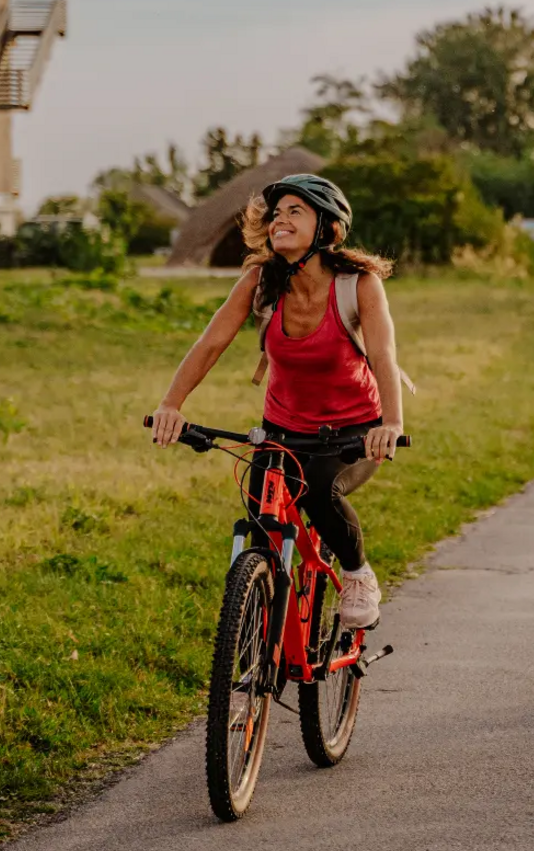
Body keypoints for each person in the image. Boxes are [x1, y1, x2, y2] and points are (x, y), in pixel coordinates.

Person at [149, 174, 406, 629]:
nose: (279, 220)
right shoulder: (260, 282)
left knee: (320, 491)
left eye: (295, 212)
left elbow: (384, 354)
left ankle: (357, 573)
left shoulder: (358, 284)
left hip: (353, 432)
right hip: (283, 428)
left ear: (325, 227)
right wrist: (171, 404)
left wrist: (391, 423)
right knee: (260, 509)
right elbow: (211, 343)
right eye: (276, 213)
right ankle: (263, 625)